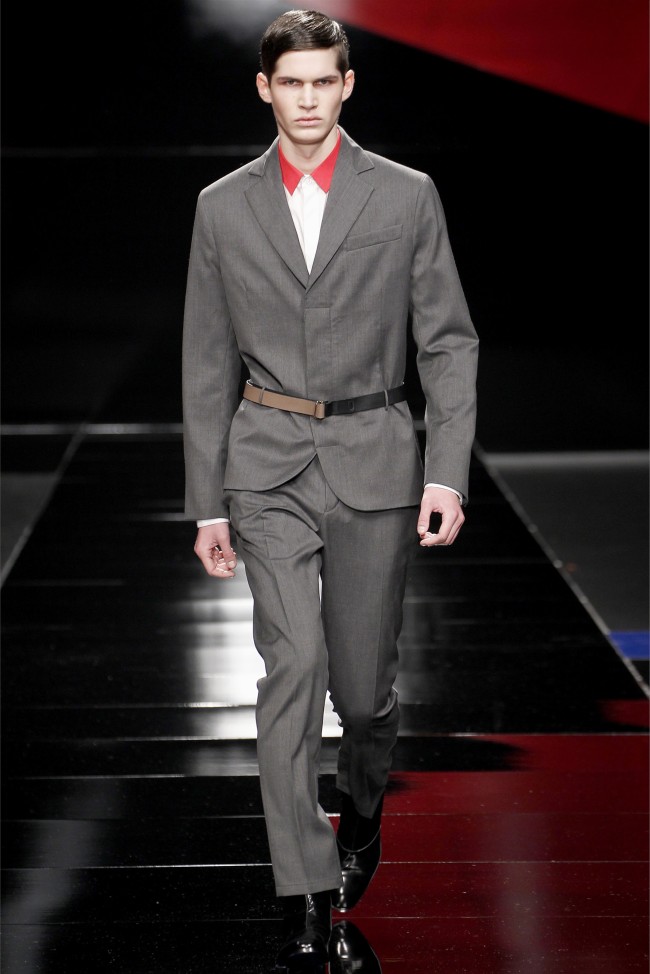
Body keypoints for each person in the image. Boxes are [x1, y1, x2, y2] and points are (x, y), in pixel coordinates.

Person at [182, 9, 478, 971]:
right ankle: (306, 885)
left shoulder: (405, 195)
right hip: (266, 460)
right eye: (290, 83)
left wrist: (446, 471)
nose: (307, 99)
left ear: (346, 86)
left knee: (364, 689)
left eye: (323, 82)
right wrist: (208, 501)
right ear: (263, 89)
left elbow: (448, 341)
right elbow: (204, 361)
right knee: (293, 668)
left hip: (375, 456)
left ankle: (364, 798)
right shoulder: (223, 206)